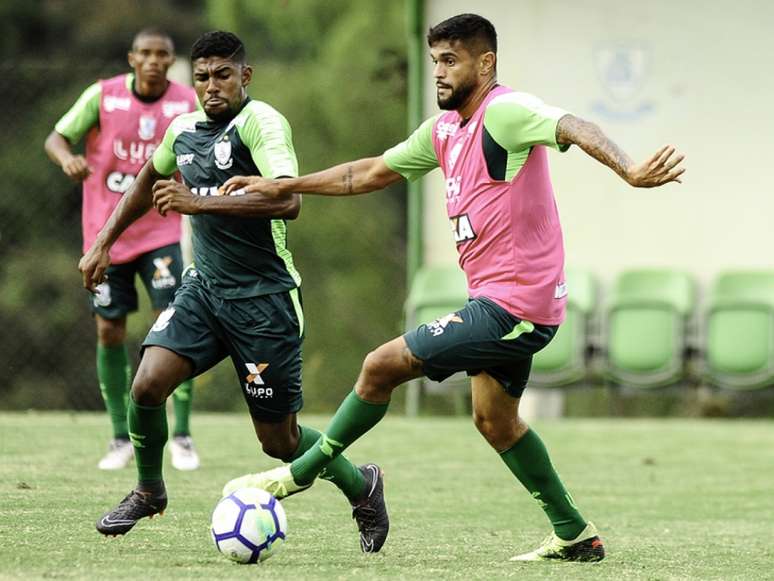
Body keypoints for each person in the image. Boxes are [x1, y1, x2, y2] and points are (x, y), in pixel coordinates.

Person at [220, 13, 685, 562]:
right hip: (499, 303)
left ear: (485, 63)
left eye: (450, 60)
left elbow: (572, 125)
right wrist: (283, 184)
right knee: (495, 421)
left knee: (379, 366)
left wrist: (629, 168)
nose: (438, 72)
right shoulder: (443, 131)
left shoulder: (505, 112)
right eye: (434, 60)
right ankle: (574, 534)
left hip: (515, 305)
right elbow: (368, 173)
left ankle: (294, 479)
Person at [78, 30, 389, 551]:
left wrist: (196, 204)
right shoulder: (182, 130)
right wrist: (103, 243)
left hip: (265, 302)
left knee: (280, 442)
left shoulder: (261, 124)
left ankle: (363, 486)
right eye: (202, 77)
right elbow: (143, 184)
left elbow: (288, 201)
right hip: (204, 291)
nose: (212, 85)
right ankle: (149, 490)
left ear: (244, 76)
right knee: (148, 384)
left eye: (223, 74)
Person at [44, 28, 201, 472]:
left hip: (161, 233)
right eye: (145, 54)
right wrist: (67, 159)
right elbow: (56, 138)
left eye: (162, 55)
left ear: (171, 62)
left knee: (174, 327)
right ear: (132, 59)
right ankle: (119, 437)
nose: (153, 61)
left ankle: (183, 434)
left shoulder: (185, 102)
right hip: (105, 236)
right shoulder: (102, 96)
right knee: (109, 330)